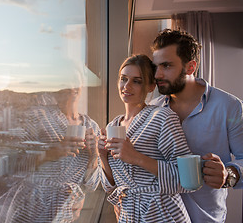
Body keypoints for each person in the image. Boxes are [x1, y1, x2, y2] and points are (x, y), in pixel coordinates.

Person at [150, 29, 243, 222]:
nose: (157, 74)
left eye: (166, 66)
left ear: (190, 67)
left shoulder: (229, 106)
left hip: (206, 218)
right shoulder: (151, 110)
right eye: (155, 66)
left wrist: (229, 174)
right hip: (159, 218)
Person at [98, 54, 193, 222]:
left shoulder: (162, 117)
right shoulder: (112, 126)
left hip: (162, 213)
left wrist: (136, 157)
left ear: (150, 86)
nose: (126, 86)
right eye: (123, 79)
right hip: (128, 213)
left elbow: (187, 178)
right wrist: (102, 155)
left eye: (137, 81)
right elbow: (110, 187)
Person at [0, 84, 100, 222]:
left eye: (74, 81)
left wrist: (94, 155)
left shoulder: (92, 127)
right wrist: (50, 153)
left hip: (68, 210)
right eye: (65, 82)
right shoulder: (37, 117)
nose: (70, 87)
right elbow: (12, 166)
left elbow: (91, 186)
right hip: (32, 207)